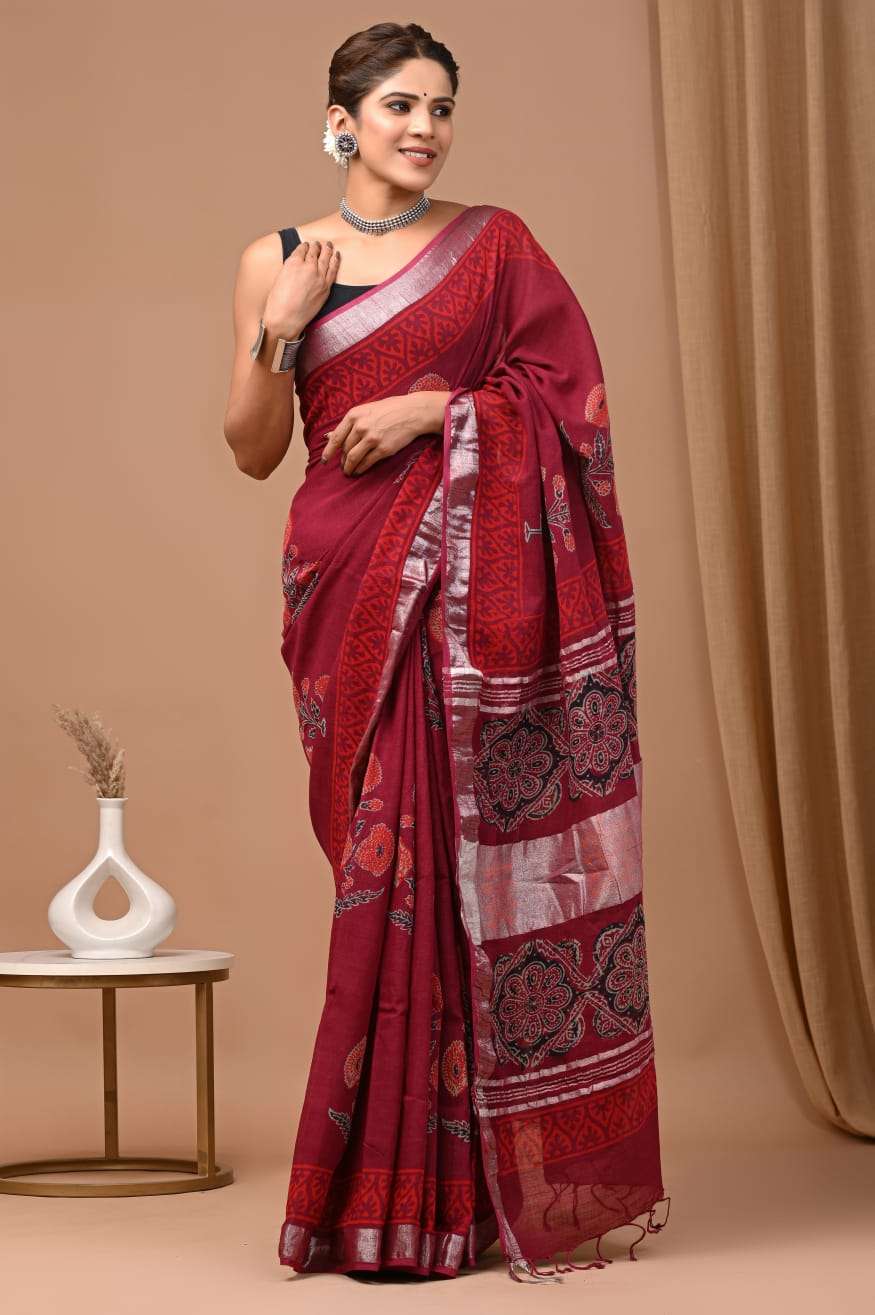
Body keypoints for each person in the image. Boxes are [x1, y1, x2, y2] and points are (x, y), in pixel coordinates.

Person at [223, 20, 670, 1286]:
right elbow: (252, 450)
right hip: (345, 588)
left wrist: (439, 410)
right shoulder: (274, 259)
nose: (424, 129)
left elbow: (570, 404)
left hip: (470, 602)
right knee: (380, 871)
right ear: (342, 122)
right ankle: (381, 1196)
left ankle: (443, 1201)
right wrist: (279, 327)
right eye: (400, 106)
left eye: (441, 108)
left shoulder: (495, 246)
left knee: (438, 870)